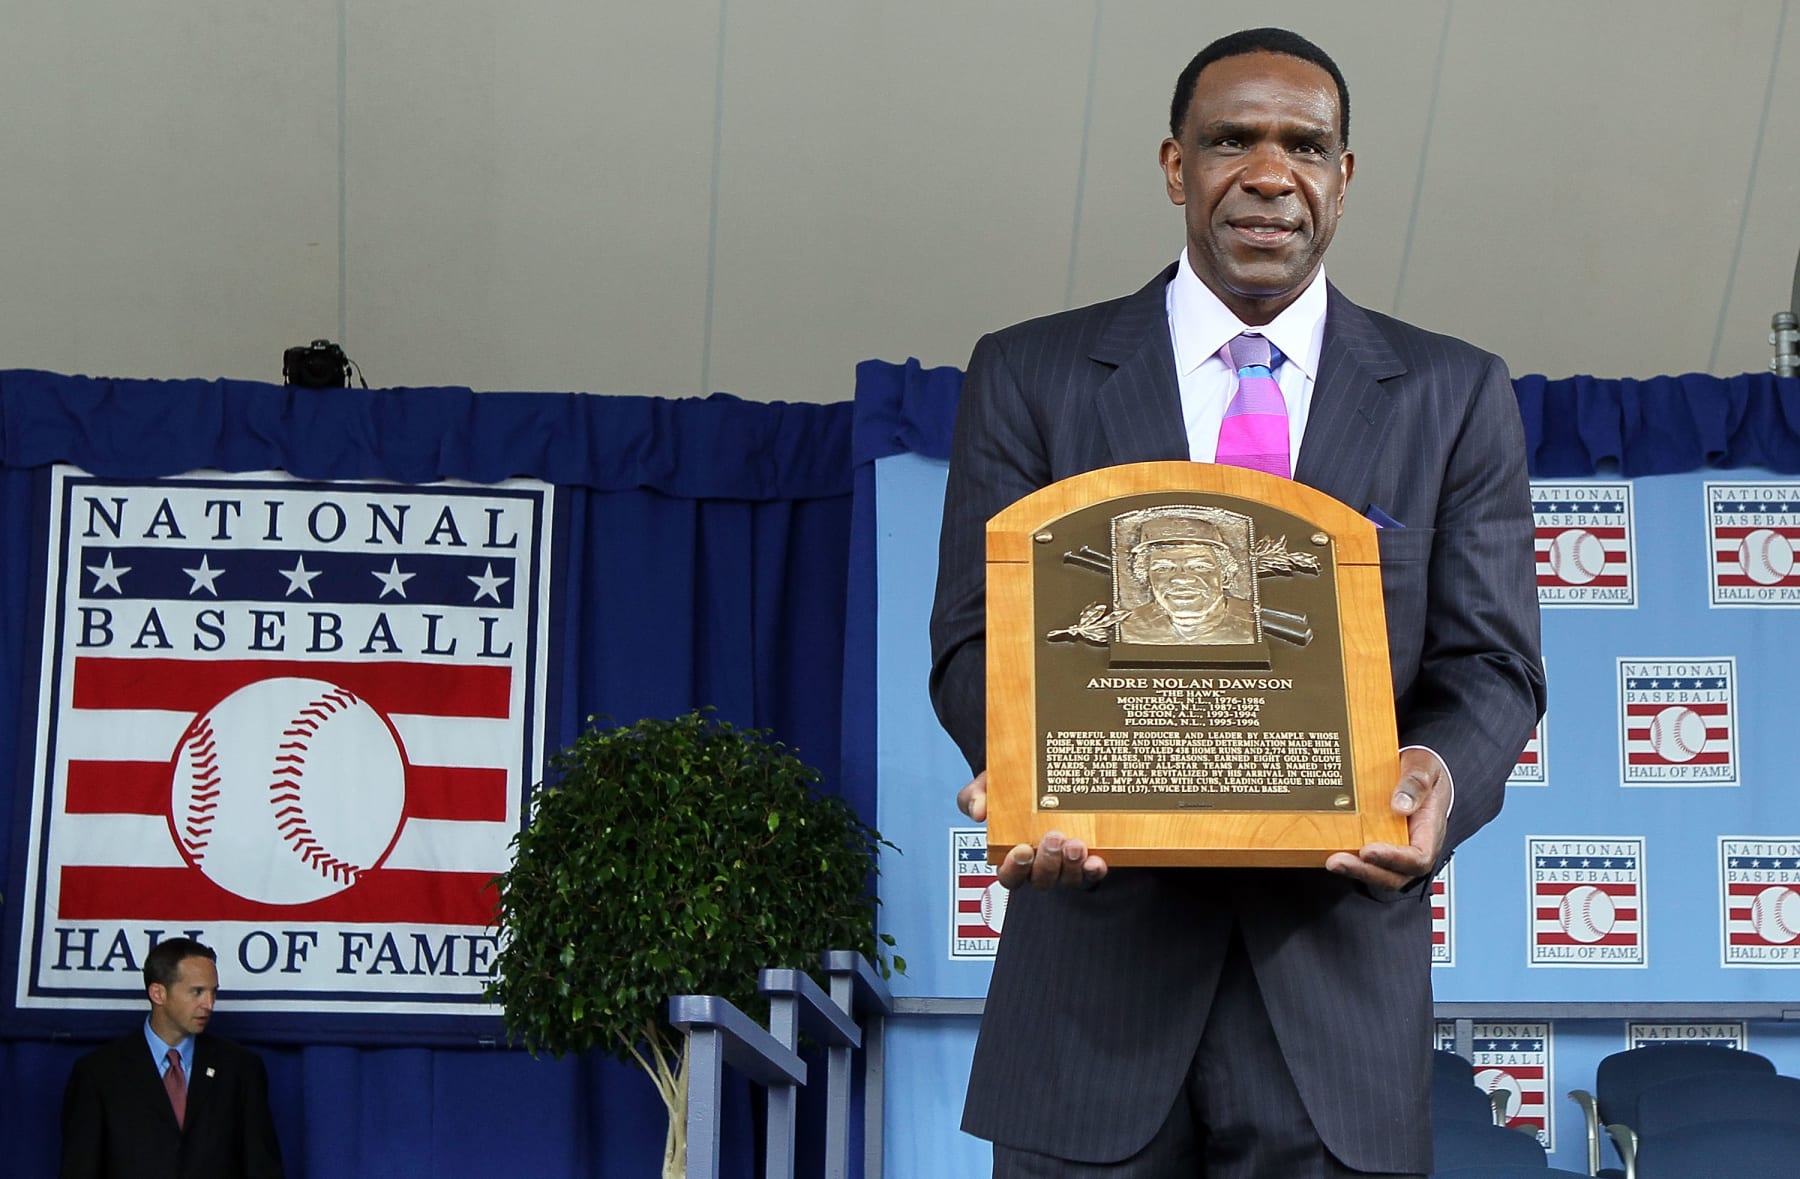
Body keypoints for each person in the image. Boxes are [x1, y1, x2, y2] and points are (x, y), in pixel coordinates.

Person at [928, 26, 1545, 1179]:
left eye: (1304, 145)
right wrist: (1027, 772)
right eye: (1232, 140)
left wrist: (1439, 774)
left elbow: (1493, 666)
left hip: (1335, 1009)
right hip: (1088, 1004)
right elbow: (975, 637)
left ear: (1344, 178)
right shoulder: (1030, 374)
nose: (1271, 173)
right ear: (1176, 166)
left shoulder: (1455, 395)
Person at [61, 937, 285, 1179]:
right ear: (158, 993)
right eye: (197, 992)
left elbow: (262, 1168)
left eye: (213, 992)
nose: (209, 1004)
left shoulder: (241, 1069)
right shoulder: (98, 1073)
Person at [1119, 515, 1257, 646]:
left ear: (1225, 576)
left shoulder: (1255, 621)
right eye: (1163, 568)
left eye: (1199, 567)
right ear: (1148, 579)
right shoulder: (1128, 627)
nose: (1181, 579)